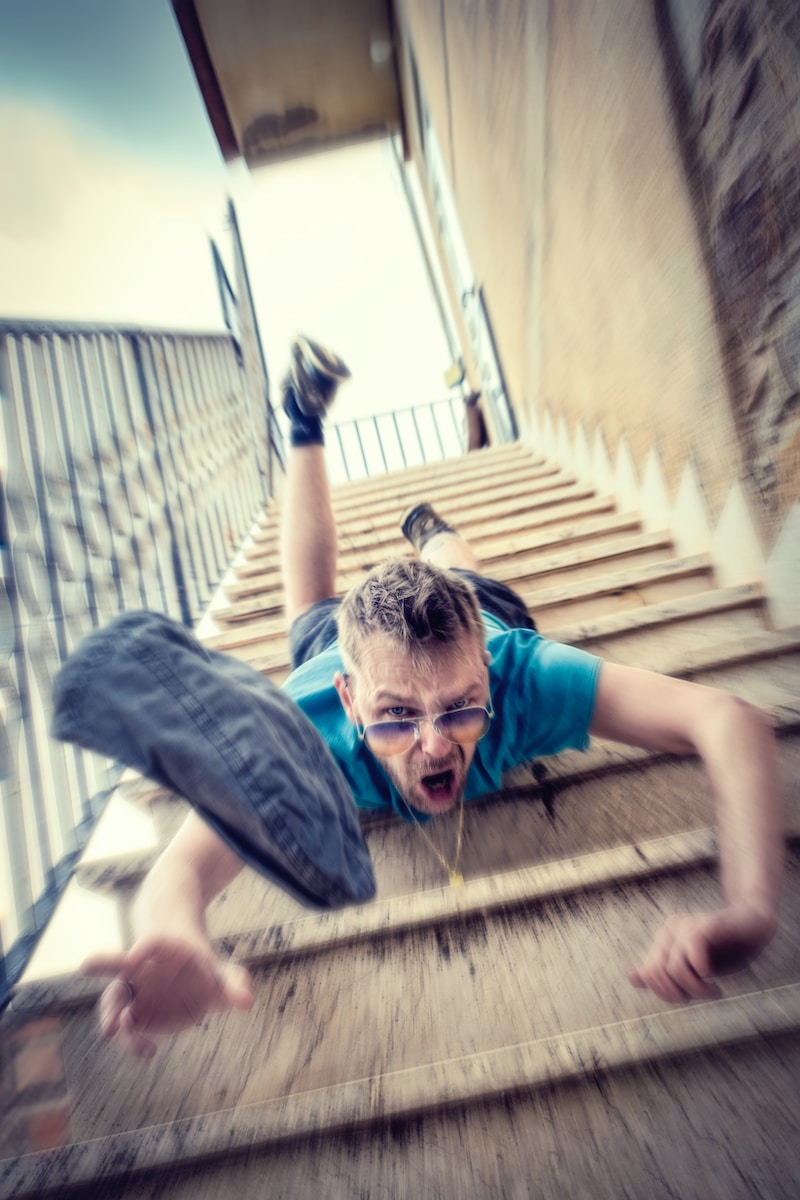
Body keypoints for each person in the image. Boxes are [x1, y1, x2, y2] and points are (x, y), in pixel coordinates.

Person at [71, 336, 783, 1059]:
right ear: (349, 702)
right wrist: (173, 934)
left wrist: (751, 912)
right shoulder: (299, 738)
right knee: (308, 612)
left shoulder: (521, 674)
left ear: (488, 672)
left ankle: (433, 537)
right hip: (332, 648)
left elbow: (725, 720)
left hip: (475, 610)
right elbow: (181, 868)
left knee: (468, 579)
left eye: (461, 706)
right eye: (395, 718)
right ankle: (304, 419)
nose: (436, 745)